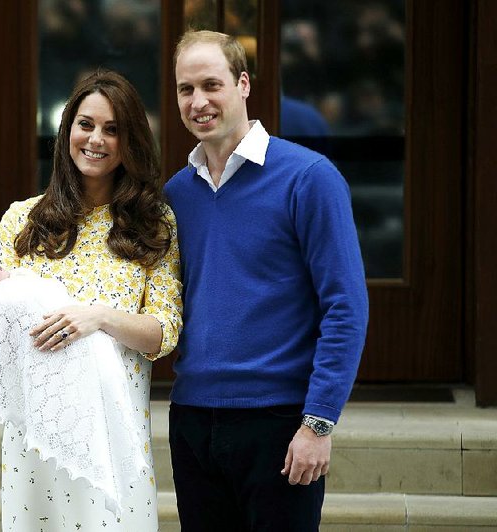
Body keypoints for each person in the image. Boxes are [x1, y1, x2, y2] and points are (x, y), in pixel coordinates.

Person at [164, 30, 369, 531]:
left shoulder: (308, 177)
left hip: (279, 421)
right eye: (185, 89)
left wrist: (318, 422)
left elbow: (345, 306)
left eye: (211, 85)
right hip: (191, 419)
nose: (199, 101)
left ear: (243, 84)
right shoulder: (176, 193)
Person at [0, 70, 182, 531]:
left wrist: (96, 318)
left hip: (114, 430)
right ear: (67, 132)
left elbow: (164, 333)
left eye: (112, 129)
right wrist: (21, 313)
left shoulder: (153, 223)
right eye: (85, 124)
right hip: (36, 434)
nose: (95, 139)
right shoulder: (24, 219)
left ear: (130, 141)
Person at [0, 263, 148, 516]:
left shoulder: (153, 231)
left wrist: (99, 316)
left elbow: (165, 331)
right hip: (38, 424)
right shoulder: (18, 236)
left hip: (113, 399)